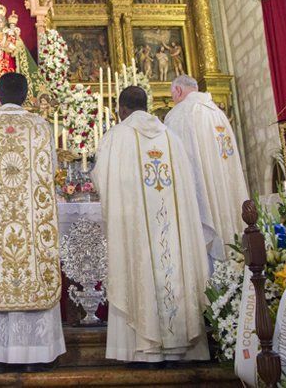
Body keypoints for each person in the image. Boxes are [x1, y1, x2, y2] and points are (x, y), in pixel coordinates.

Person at [92, 86, 212, 366]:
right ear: (146, 106)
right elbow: (188, 186)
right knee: (175, 266)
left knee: (140, 273)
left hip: (136, 231)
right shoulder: (172, 138)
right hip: (172, 226)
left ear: (121, 110)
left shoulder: (115, 137)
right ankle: (181, 346)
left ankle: (142, 347)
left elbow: (101, 181)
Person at [0, 73, 65, 373]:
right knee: (29, 263)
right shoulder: (40, 127)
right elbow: (53, 171)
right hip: (30, 219)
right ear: (26, 95)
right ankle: (35, 353)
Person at [164, 75, 245, 253]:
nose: (173, 100)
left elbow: (176, 160)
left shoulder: (179, 114)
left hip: (202, 191)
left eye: (172, 95)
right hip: (224, 187)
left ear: (178, 90)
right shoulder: (218, 112)